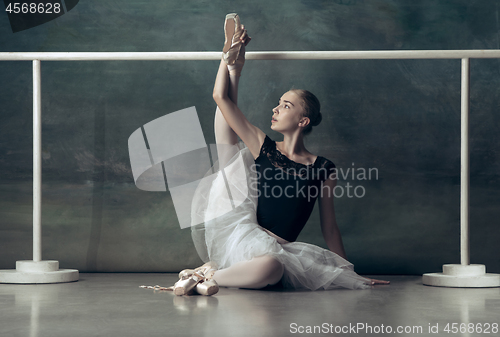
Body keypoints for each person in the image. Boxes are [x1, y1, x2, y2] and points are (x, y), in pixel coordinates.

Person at [171, 13, 389, 296]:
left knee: (272, 268)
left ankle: (206, 277)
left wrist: (349, 273)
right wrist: (227, 61)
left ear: (303, 120)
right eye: (277, 104)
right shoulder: (265, 146)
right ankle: (207, 275)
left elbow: (330, 228)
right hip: (244, 238)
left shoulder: (324, 168)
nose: (275, 109)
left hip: (281, 251)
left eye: (285, 105)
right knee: (230, 152)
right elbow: (221, 99)